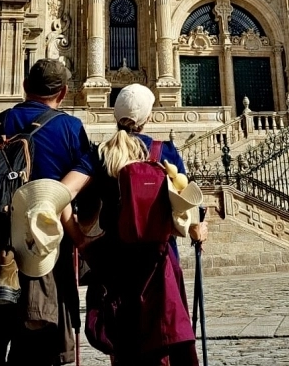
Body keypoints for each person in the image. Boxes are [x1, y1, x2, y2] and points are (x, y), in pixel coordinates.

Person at [0, 58, 96, 366]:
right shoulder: (70, 128)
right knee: (39, 350)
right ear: (64, 92)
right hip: (45, 257)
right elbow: (78, 192)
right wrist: (80, 238)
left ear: (24, 87)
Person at [85, 83, 206, 365]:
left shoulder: (101, 154)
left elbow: (86, 208)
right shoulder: (165, 152)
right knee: (163, 334)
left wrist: (82, 241)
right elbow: (188, 202)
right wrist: (198, 227)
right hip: (160, 260)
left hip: (116, 260)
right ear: (148, 117)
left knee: (123, 340)